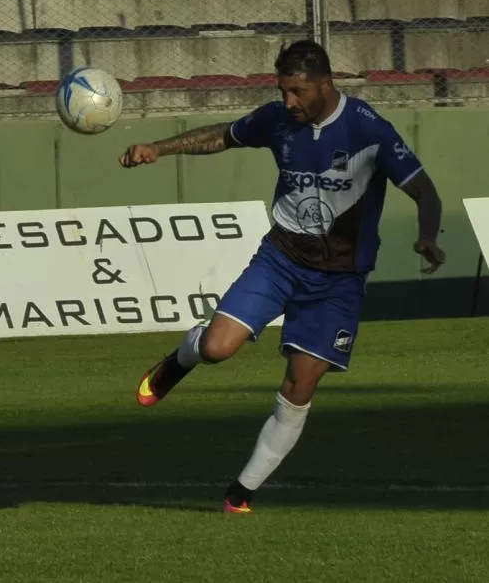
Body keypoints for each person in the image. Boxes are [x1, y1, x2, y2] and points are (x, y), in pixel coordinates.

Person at [120, 40, 445, 513]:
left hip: (339, 279)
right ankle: (180, 359)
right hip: (281, 258)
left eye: (297, 91)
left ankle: (240, 493)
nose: (288, 101)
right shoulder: (278, 120)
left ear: (325, 85)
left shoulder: (368, 129)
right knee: (216, 348)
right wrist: (159, 148)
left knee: (299, 386)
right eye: (282, 90)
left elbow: (424, 190)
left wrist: (428, 236)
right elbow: (223, 135)